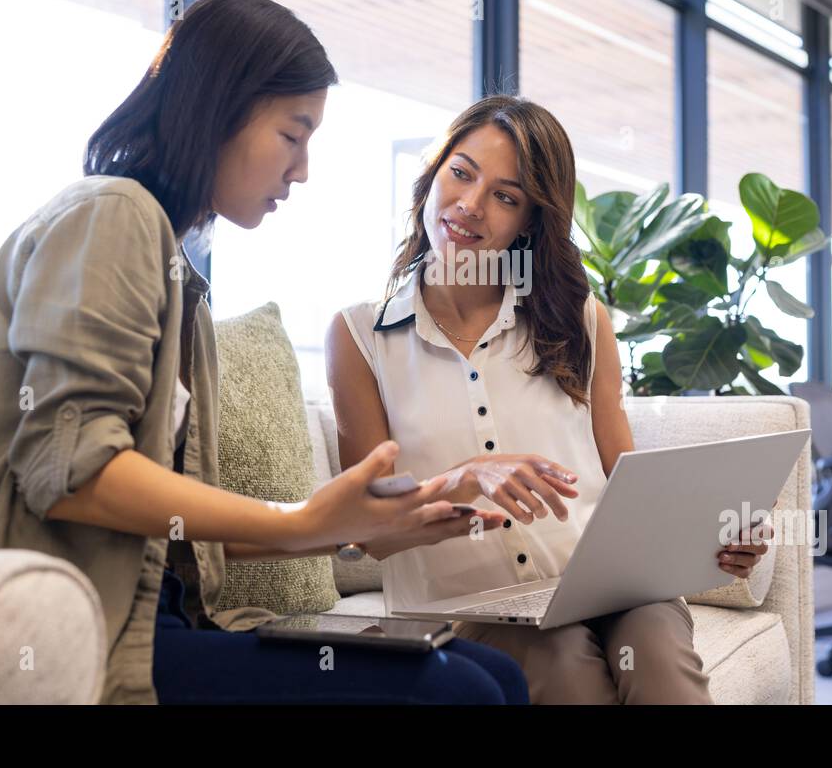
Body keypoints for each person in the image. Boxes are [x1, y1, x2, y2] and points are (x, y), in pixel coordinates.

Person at [0, 0, 530, 705]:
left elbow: (185, 531)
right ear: (220, 108)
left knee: (495, 675)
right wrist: (303, 520)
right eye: (293, 133)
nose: (302, 169)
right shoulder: (111, 215)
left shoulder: (179, 276)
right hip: (62, 633)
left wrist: (347, 521)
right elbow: (69, 472)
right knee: (457, 692)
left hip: (152, 617)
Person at [327, 95, 772, 704]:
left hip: (611, 587)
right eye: (461, 173)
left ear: (530, 222)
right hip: (472, 607)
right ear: (433, 174)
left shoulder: (581, 321)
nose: (470, 205)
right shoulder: (358, 337)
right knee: (566, 668)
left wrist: (713, 539)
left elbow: (627, 482)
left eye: (506, 196)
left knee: (660, 654)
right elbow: (367, 533)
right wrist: (465, 478)